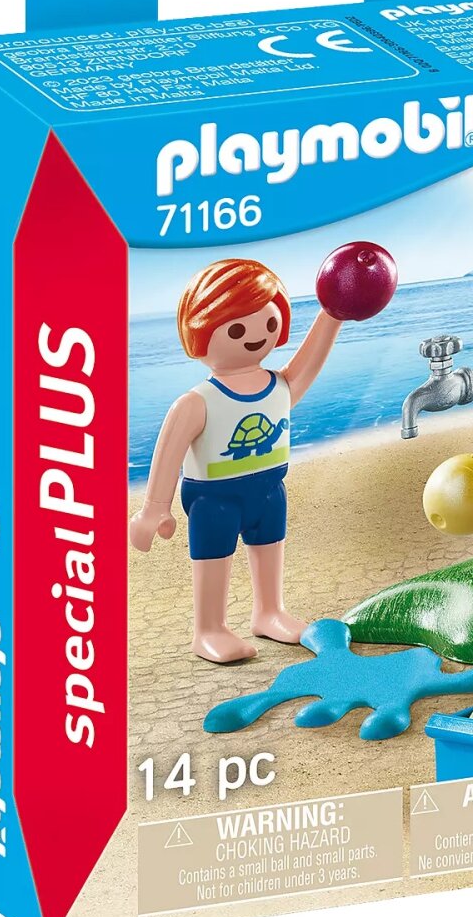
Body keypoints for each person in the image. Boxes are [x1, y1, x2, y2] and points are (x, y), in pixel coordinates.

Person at [129, 257, 342, 663]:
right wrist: (153, 508)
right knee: (213, 556)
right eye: (237, 329)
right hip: (214, 498)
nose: (256, 336)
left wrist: (333, 314)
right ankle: (208, 629)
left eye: (268, 321)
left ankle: (269, 612)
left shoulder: (279, 385)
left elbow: (308, 362)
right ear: (200, 332)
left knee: (270, 545)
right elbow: (168, 453)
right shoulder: (197, 402)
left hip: (269, 489)